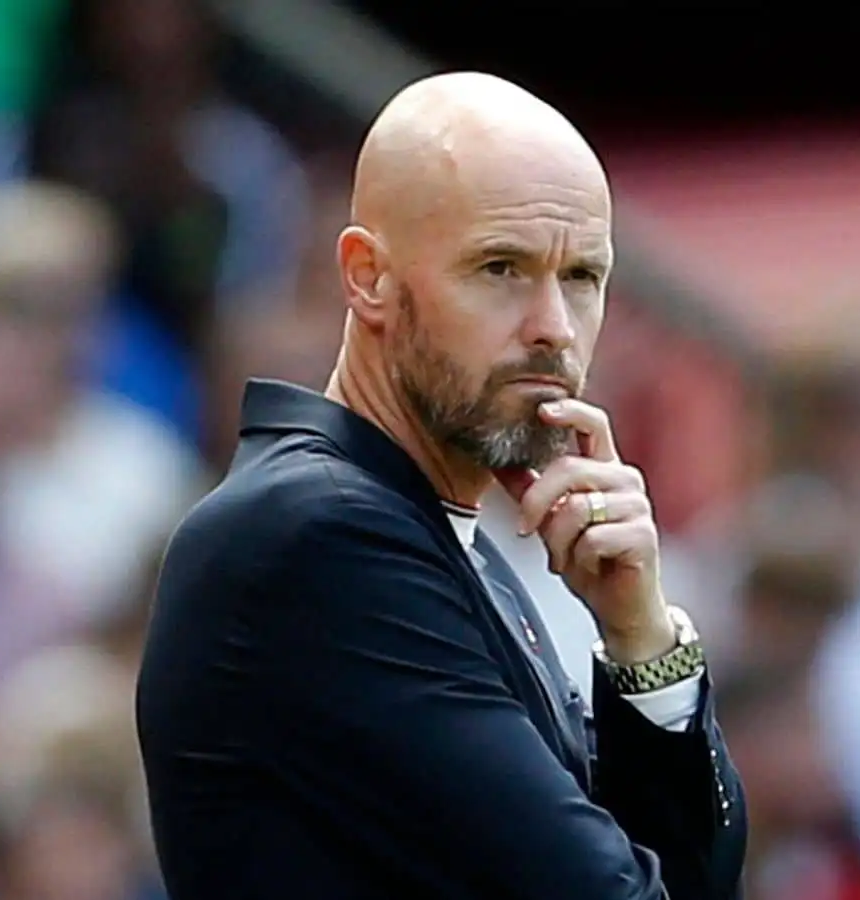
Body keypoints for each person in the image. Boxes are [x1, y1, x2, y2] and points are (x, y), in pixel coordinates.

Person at [135, 72, 748, 900]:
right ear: (367, 277)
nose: (554, 329)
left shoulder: (445, 537)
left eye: (582, 278)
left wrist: (642, 640)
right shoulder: (317, 536)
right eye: (501, 268)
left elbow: (692, 882)